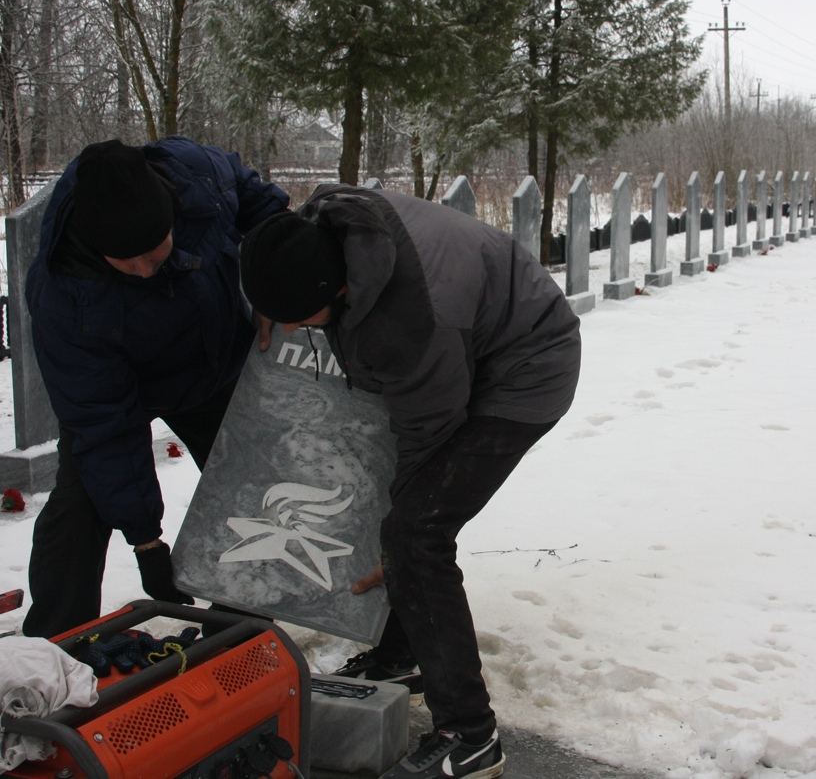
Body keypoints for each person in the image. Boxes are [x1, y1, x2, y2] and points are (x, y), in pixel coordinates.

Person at [240, 185, 581, 779]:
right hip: (469, 339)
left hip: (527, 367)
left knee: (416, 535)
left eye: (300, 319)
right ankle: (401, 656)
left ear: (338, 290)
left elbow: (429, 437)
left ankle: (469, 736)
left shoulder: (409, 321)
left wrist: (395, 548)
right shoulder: (327, 223)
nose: (292, 331)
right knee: (402, 532)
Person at [22, 137, 290, 639]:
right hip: (128, 385)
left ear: (171, 215)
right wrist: (147, 543)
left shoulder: (200, 178)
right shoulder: (66, 298)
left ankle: (236, 629)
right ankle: (56, 644)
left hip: (217, 367)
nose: (149, 269)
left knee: (258, 488)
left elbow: (269, 212)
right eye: (129, 262)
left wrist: (272, 281)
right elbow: (106, 428)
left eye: (156, 251)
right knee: (80, 506)